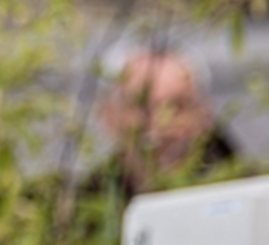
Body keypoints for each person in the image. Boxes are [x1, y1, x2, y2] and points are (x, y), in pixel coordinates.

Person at [96, 48, 237, 196]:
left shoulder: (246, 191)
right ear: (109, 116)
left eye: (176, 107)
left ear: (204, 114)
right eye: (143, 109)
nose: (160, 125)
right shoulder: (81, 206)